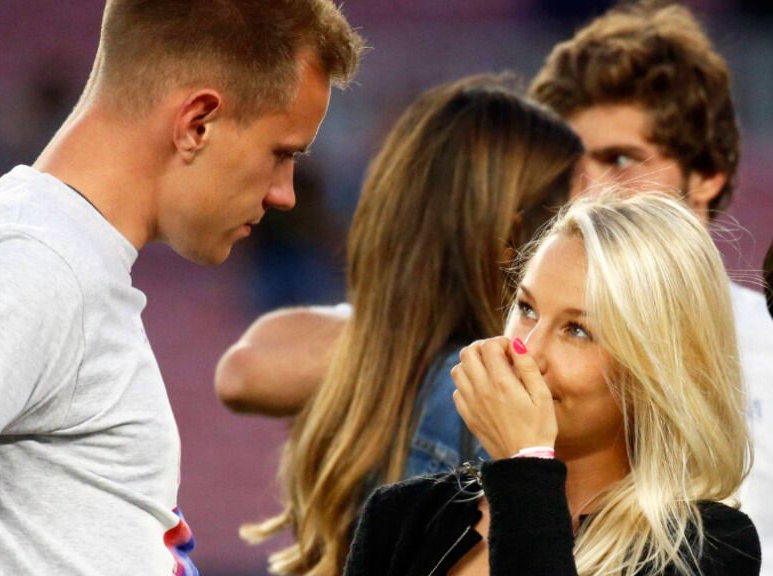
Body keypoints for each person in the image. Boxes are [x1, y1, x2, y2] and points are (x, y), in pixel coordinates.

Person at [0, 2, 364, 575]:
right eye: (281, 153)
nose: (285, 192)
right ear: (196, 122)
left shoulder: (57, 249)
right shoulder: (39, 258)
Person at [216, 0, 773, 551]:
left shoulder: (702, 537)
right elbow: (247, 368)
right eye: (527, 308)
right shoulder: (437, 464)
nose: (589, 194)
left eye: (622, 161)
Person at [235, 77, 584, 575]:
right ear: (513, 235)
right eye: (568, 211)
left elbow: (240, 372)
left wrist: (387, 346)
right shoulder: (491, 397)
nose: (581, 237)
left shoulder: (378, 374)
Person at [345, 191, 760, 576]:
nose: (527, 351)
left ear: (654, 371)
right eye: (526, 308)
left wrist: (525, 463)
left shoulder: (707, 545)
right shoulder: (400, 514)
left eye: (577, 330)